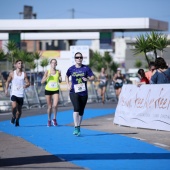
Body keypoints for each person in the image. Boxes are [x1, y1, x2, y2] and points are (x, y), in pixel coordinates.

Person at [65, 52, 95, 136]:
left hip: (83, 92)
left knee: (81, 111)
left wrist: (88, 78)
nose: (79, 59)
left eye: (80, 57)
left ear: (82, 58)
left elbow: (93, 77)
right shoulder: (71, 69)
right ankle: (76, 127)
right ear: (75, 59)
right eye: (77, 57)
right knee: (76, 108)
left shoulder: (86, 68)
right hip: (73, 91)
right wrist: (68, 84)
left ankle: (78, 127)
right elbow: (66, 76)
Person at [5, 60, 30, 127]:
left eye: (21, 63)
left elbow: (28, 83)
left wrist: (26, 85)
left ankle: (17, 120)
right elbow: (7, 81)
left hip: (21, 94)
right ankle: (13, 117)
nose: (20, 64)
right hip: (14, 93)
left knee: (19, 110)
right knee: (14, 106)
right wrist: (6, 90)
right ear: (16, 65)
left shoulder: (24, 74)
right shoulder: (12, 73)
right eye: (19, 63)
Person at [41, 59, 62, 127]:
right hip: (48, 90)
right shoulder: (47, 71)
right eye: (52, 63)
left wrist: (60, 75)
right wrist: (48, 76)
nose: (53, 64)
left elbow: (60, 80)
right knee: (49, 107)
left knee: (55, 105)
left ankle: (54, 119)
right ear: (50, 64)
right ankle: (49, 120)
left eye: (55, 63)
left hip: (55, 89)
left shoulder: (58, 71)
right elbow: (42, 81)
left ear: (56, 64)